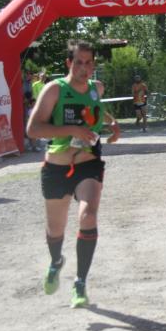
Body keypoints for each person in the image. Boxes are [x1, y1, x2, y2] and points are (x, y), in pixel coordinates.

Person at [27, 40, 121, 308]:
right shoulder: (55, 89)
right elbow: (33, 129)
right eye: (78, 62)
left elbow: (96, 112)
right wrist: (72, 131)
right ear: (69, 63)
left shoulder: (96, 89)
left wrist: (113, 125)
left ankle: (80, 283)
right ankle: (56, 261)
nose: (84, 67)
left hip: (88, 163)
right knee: (55, 231)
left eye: (89, 62)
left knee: (88, 215)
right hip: (56, 167)